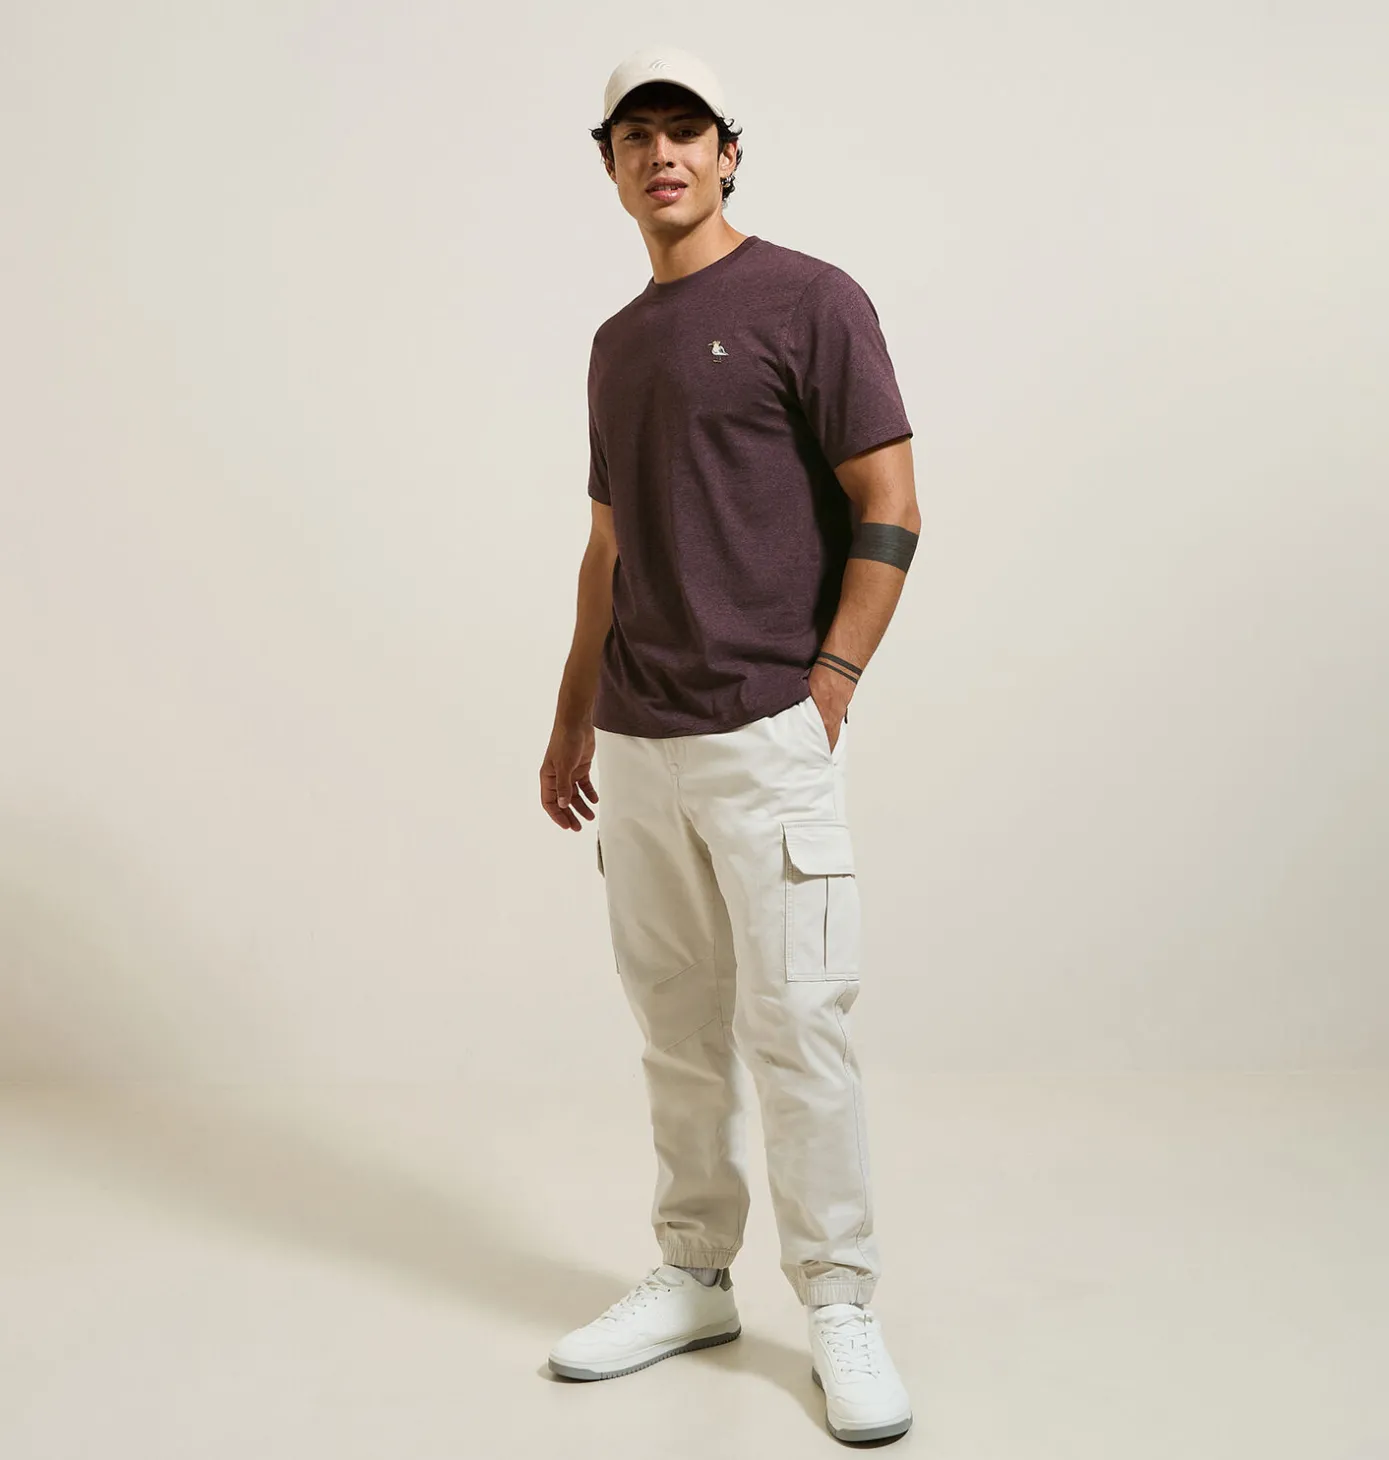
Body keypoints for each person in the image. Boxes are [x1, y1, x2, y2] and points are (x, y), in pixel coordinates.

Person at [538, 45, 921, 1446]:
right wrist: (572, 712)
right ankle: (697, 1275)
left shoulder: (811, 299)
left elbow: (891, 501)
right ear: (611, 169)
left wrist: (831, 680)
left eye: (686, 131)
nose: (663, 155)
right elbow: (608, 546)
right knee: (676, 1025)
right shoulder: (616, 343)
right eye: (635, 137)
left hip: (765, 729)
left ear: (729, 153)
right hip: (639, 738)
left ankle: (839, 1302)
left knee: (799, 1023)